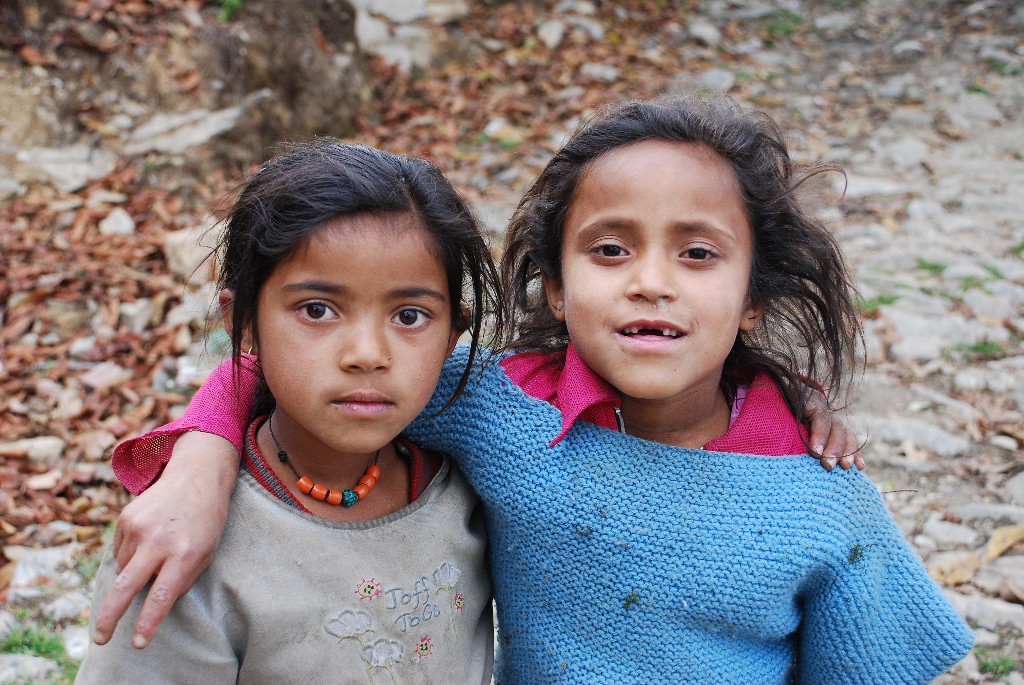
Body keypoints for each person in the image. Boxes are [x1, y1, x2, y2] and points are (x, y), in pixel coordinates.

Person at [96, 95, 972, 684]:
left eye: (698, 254)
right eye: (610, 249)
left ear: (755, 295)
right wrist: (201, 462)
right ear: (554, 286)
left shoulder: (820, 490)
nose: (651, 283)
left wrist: (800, 393)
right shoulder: (505, 406)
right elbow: (292, 368)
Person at [75, 142, 500, 684]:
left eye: (410, 315)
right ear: (244, 323)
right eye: (317, 310)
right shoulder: (184, 545)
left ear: (451, 336)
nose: (368, 353)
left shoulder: (473, 482)